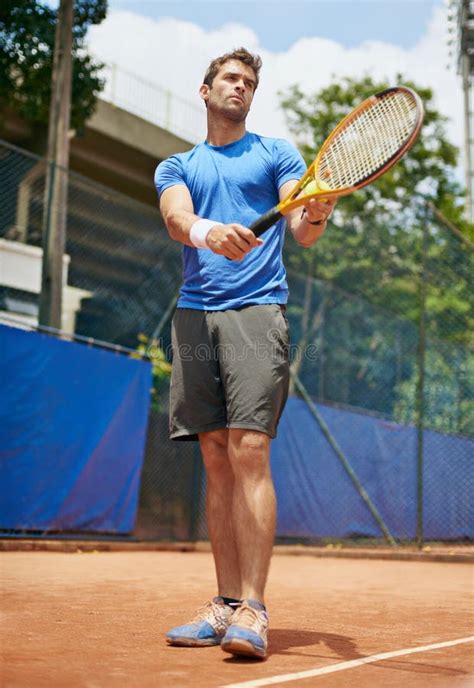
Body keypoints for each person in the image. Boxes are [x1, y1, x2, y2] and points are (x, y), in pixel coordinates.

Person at [154, 47, 335, 660]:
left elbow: (303, 230)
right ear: (205, 91)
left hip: (258, 311)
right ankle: (224, 602)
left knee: (248, 446)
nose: (241, 87)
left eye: (250, 82)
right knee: (214, 455)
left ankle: (254, 609)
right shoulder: (178, 165)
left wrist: (319, 209)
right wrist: (210, 231)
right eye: (230, 78)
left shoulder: (275, 153)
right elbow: (178, 219)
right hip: (195, 313)